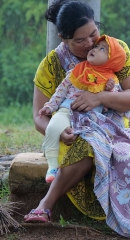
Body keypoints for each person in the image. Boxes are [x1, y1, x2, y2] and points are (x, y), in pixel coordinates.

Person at [24, 0, 130, 240]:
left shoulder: (115, 50)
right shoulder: (52, 64)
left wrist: (99, 97)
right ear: (63, 38)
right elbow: (39, 116)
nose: (89, 44)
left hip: (116, 126)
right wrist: (58, 132)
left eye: (93, 34)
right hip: (74, 131)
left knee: (126, 158)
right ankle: (45, 206)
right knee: (88, 145)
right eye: (79, 41)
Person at [38, 34, 124, 183]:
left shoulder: (111, 81)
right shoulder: (76, 71)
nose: (95, 49)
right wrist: (50, 107)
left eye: (102, 49)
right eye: (96, 46)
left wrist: (109, 92)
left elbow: (113, 104)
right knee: (52, 127)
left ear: (111, 60)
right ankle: (52, 166)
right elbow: (61, 91)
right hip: (66, 110)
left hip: (90, 120)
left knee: (90, 143)